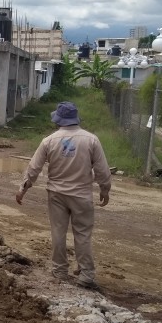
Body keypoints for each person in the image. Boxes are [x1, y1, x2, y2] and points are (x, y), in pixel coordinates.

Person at [15, 101, 111, 289]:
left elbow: (34, 168)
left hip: (56, 194)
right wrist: (104, 189)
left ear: (58, 120)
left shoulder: (49, 141)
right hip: (82, 195)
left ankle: (59, 270)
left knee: (58, 232)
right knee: (82, 234)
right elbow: (102, 170)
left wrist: (23, 188)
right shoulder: (91, 140)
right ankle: (86, 275)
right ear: (75, 119)